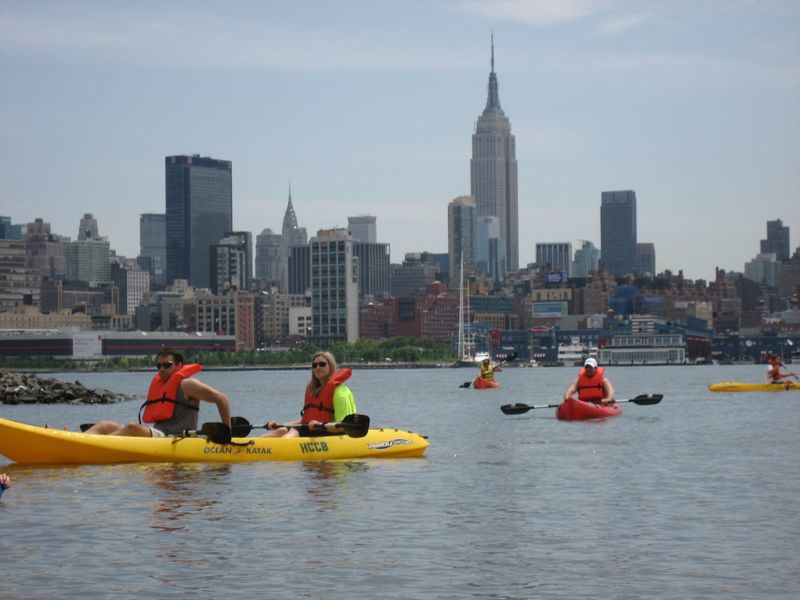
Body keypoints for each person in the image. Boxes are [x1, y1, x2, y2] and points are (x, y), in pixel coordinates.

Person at [84, 348, 231, 437]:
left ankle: (96, 446)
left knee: (132, 427)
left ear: (179, 366)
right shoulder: (161, 384)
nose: (161, 369)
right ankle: (76, 439)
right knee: (105, 424)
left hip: (174, 437)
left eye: (167, 365)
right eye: (159, 365)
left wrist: (227, 434)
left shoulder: (187, 384)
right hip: (157, 433)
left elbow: (222, 399)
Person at [262, 351, 356, 438]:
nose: (318, 367)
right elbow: (306, 420)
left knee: (295, 431)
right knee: (282, 430)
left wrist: (320, 426)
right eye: (314, 365)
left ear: (331, 366)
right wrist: (281, 424)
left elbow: (344, 426)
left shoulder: (340, 392)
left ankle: (276, 450)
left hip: (335, 434)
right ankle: (252, 446)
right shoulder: (314, 390)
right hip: (315, 430)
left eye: (322, 364)